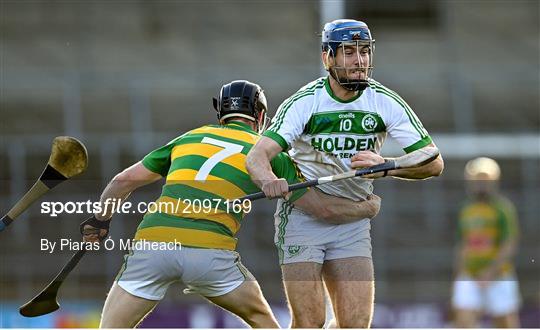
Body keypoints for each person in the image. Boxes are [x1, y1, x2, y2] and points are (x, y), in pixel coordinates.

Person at [80, 80, 382, 328]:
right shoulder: (268, 153)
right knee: (262, 320)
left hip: (153, 247)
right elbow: (322, 209)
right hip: (210, 256)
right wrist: (366, 207)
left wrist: (100, 221)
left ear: (220, 114)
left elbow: (122, 182)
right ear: (261, 117)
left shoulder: (190, 137)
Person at [246, 19, 444, 328]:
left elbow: (432, 162)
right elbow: (257, 156)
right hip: (304, 219)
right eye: (349, 52)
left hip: (352, 222)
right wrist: (269, 181)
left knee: (355, 323)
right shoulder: (305, 103)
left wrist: (388, 166)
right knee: (309, 322)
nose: (360, 60)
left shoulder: (384, 101)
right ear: (328, 58)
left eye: (364, 52)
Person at [452, 157, 521, 328]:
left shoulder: (502, 209)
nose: (481, 184)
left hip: (499, 277)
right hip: (470, 275)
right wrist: (459, 276)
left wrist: (490, 273)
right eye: (477, 180)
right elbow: (463, 245)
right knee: (463, 321)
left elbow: (509, 243)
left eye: (485, 180)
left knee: (505, 323)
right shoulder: (466, 209)